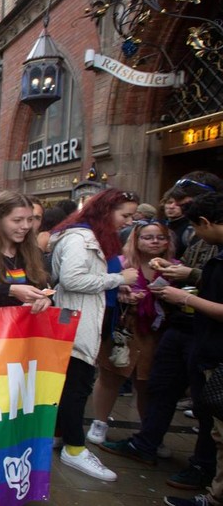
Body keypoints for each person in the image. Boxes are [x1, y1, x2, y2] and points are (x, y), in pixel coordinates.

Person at [101, 172, 223, 489]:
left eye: (184, 204)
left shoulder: (202, 236)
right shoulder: (194, 236)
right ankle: (147, 442)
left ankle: (205, 468)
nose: (177, 209)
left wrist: (185, 287)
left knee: (207, 403)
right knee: (160, 386)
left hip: (205, 332)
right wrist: (180, 276)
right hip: (185, 327)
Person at [48, 188, 140, 482]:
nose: (128, 221)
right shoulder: (81, 238)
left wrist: (116, 287)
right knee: (77, 387)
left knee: (74, 385)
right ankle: (75, 448)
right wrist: (118, 279)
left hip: (88, 318)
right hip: (77, 321)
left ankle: (62, 436)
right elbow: (73, 279)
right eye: (125, 215)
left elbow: (88, 278)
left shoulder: (93, 236)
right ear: (106, 210)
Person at [151, 192, 223, 506]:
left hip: (216, 349)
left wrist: (184, 298)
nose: (198, 237)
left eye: (198, 229)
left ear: (205, 222)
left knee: (219, 427)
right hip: (207, 344)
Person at [86, 219, 177, 447]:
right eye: (148, 237)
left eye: (160, 237)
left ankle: (149, 433)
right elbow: (102, 289)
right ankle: (100, 422)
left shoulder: (175, 267)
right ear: (135, 240)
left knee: (147, 383)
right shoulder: (119, 263)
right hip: (123, 328)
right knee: (110, 375)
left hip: (155, 332)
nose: (155, 242)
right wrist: (120, 294)